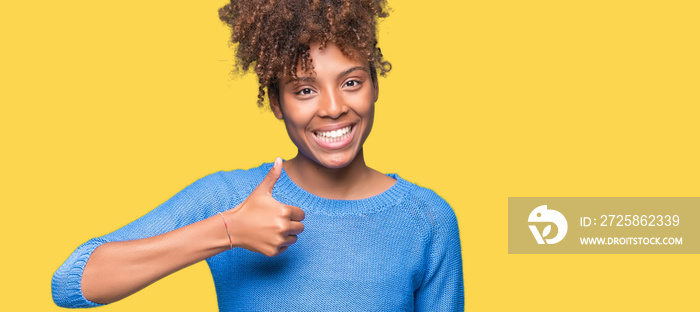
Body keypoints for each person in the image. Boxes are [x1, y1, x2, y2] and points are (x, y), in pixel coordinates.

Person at [51, 0, 464, 310]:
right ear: (277, 103)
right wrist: (228, 231)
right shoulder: (232, 199)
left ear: (374, 87)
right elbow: (72, 283)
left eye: (351, 82)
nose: (333, 106)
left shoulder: (426, 218)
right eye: (305, 90)